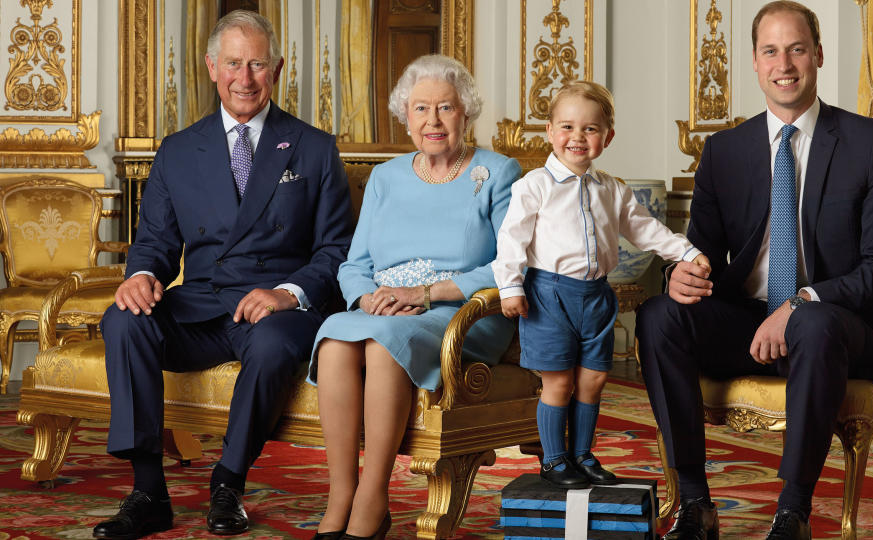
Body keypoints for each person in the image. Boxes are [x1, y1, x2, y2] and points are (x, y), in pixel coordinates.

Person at [635, 2, 873, 539]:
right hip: (748, 324)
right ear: (755, 65)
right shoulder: (724, 150)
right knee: (660, 316)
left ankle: (792, 512)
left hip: (838, 326)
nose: (784, 63)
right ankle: (695, 502)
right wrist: (683, 275)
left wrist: (801, 301)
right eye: (770, 51)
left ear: (818, 55)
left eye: (796, 48)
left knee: (812, 321)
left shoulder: (868, 143)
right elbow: (703, 253)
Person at [93, 10, 352, 539]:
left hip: (274, 308)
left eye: (257, 64)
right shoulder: (179, 149)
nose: (245, 78)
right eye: (234, 63)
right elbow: (157, 245)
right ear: (212, 67)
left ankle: (228, 483)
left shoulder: (315, 147)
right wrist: (141, 275)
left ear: (277, 69)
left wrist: (287, 293)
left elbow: (337, 250)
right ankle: (148, 491)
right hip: (204, 303)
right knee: (124, 319)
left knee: (276, 343)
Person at [310, 54, 521, 539]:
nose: (433, 120)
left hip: (461, 311)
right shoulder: (386, 177)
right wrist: (367, 299)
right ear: (405, 116)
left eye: (445, 108)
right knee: (336, 337)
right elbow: (354, 265)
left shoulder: (498, 172)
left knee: (384, 341)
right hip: (386, 308)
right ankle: (341, 491)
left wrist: (424, 293)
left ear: (465, 113)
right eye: (420, 109)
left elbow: (507, 264)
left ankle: (372, 496)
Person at [492, 80, 710, 489]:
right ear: (550, 132)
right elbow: (511, 240)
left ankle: (582, 454)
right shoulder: (533, 186)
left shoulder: (611, 189)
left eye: (590, 129)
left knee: (592, 379)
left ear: (607, 137)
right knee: (558, 380)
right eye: (567, 127)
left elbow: (645, 229)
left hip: (596, 296)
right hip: (549, 295)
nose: (578, 137)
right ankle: (554, 460)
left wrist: (684, 251)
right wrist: (510, 287)